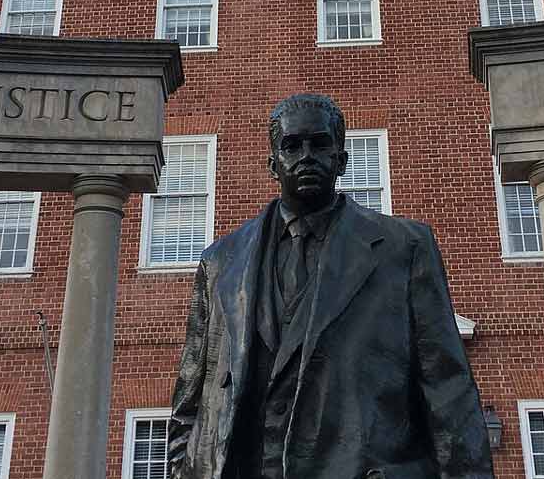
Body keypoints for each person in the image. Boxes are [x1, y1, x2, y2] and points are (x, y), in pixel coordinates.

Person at [168, 93, 495, 479]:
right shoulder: (221, 262)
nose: (306, 156)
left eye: (319, 144)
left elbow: (448, 391)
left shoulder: (404, 248)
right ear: (273, 163)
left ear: (341, 159)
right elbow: (190, 397)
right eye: (292, 146)